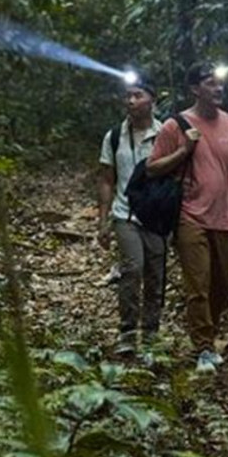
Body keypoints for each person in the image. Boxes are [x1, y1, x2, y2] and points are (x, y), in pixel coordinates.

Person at [145, 64, 228, 372]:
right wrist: (184, 151)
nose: (218, 89)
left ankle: (210, 333)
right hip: (189, 216)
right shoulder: (175, 125)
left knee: (223, 284)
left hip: (225, 218)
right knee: (199, 284)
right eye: (210, 83)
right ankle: (203, 347)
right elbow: (153, 167)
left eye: (220, 84)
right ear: (195, 89)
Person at [94, 79, 167, 354]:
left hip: (156, 215)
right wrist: (103, 220)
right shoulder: (114, 136)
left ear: (152, 99)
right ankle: (127, 331)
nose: (131, 101)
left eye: (138, 95)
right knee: (132, 269)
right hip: (125, 214)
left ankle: (150, 334)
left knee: (155, 275)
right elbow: (106, 178)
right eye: (128, 96)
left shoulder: (166, 133)